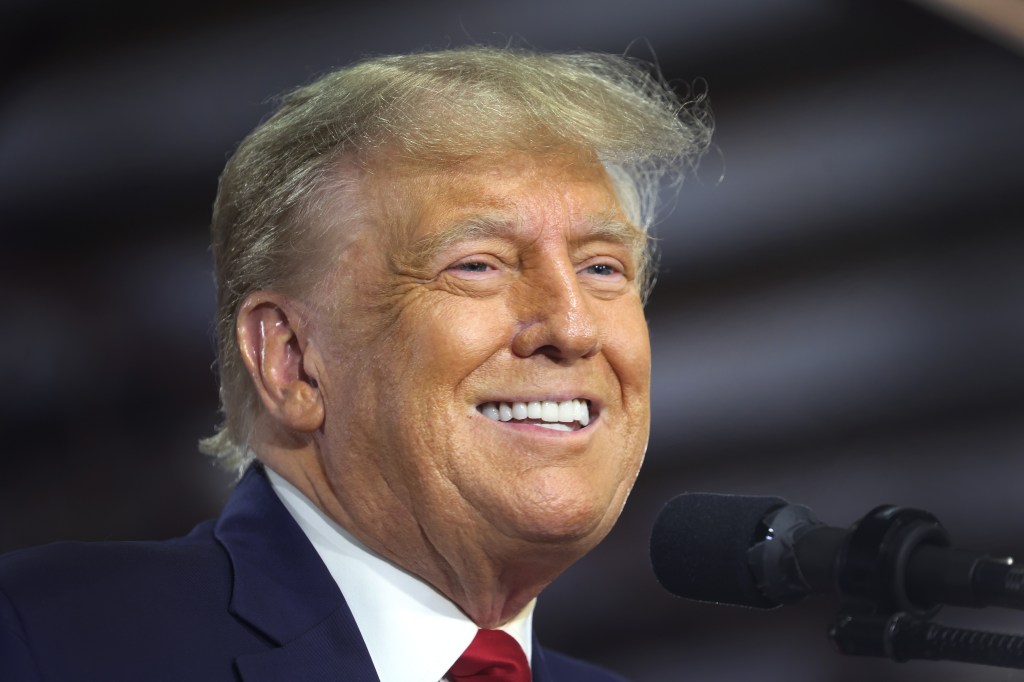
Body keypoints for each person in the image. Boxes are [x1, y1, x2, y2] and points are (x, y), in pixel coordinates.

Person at [0, 47, 709, 681]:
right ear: (292, 362)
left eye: (602, 267)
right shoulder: (48, 638)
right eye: (478, 265)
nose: (574, 325)